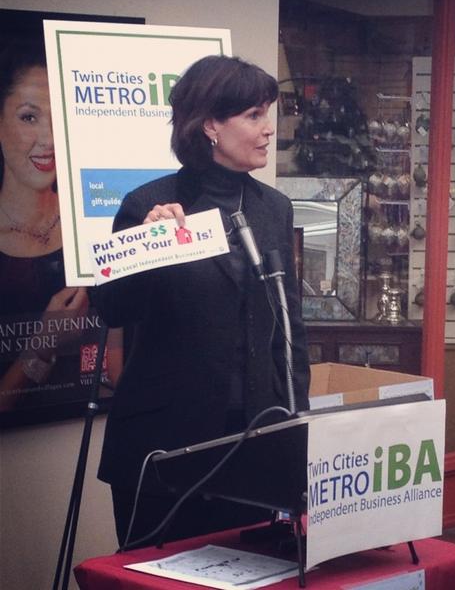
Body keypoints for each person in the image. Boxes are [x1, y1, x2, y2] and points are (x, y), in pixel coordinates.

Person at [91, 55, 311, 547]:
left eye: (268, 114)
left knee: (248, 571)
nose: (269, 129)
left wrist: (295, 422)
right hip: (164, 447)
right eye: (253, 115)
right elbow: (113, 308)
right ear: (211, 125)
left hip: (251, 444)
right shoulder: (147, 205)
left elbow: (290, 326)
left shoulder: (274, 208)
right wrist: (146, 246)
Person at [0, 40, 121, 416]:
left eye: (61, 120)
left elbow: (117, 369)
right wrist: (44, 344)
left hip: (95, 417)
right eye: (29, 117)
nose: (50, 139)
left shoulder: (95, 219)